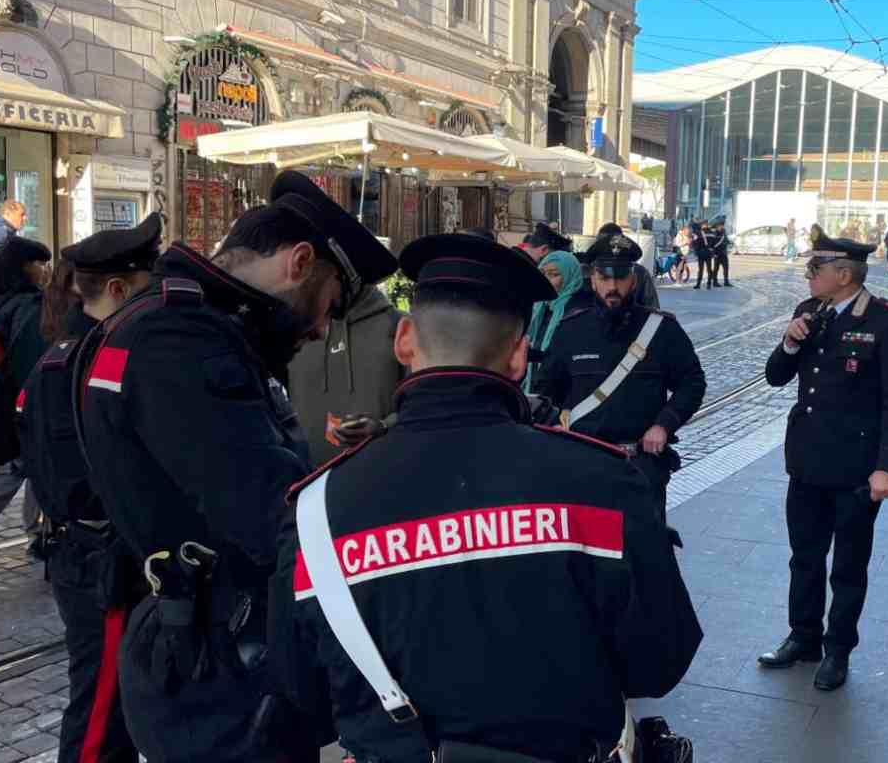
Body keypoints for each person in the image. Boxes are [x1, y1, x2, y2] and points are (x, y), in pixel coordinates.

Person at [276, 233, 701, 763]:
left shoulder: (315, 511)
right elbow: (662, 660)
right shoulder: (604, 483)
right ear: (520, 356)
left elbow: (300, 693)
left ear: (404, 340)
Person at [74, 171, 398, 763]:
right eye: (329, 303)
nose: (323, 327)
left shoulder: (171, 321)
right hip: (222, 667)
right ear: (300, 263)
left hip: (204, 648)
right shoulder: (184, 341)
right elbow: (271, 516)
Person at [18, 215, 162, 763]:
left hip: (77, 556)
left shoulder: (57, 356)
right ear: (120, 290)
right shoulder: (101, 359)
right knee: (101, 711)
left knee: (109, 702)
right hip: (101, 562)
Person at [758, 232, 888, 691]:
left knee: (848, 564)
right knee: (804, 557)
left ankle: (838, 648)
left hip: (856, 467)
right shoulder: (807, 314)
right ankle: (803, 636)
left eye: (815, 269)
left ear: (843, 274)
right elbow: (774, 377)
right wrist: (789, 343)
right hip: (806, 460)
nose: (808, 275)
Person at [534, 232, 706, 522]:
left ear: (633, 280)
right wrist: (556, 428)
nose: (613, 287)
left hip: (640, 465)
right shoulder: (572, 330)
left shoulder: (661, 330)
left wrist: (664, 425)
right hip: (583, 464)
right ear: (593, 280)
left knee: (644, 557)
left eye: (621, 277)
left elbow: (692, 383)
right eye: (605, 277)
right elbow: (546, 391)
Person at [0, 236, 51, 534]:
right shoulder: (26, 304)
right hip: (10, 398)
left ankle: (40, 532)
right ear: (23, 267)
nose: (45, 269)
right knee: (22, 463)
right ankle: (39, 532)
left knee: (34, 462)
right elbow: (30, 358)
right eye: (40, 263)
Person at [289, 277, 405, 466]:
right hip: (306, 486)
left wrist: (383, 426)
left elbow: (425, 404)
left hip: (386, 475)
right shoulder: (293, 333)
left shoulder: (399, 325)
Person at [523, 249, 583, 391]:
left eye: (554, 274)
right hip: (534, 387)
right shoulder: (539, 307)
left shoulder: (577, 311)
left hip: (561, 390)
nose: (545, 279)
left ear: (569, 277)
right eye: (543, 273)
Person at [709, 215, 733, 287]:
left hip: (724, 252)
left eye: (722, 225)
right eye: (721, 226)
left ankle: (726, 282)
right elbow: (712, 244)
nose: (722, 227)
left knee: (726, 267)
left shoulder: (723, 232)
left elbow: (725, 239)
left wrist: (730, 242)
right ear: (717, 226)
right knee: (716, 268)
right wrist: (713, 253)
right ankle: (715, 282)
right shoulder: (715, 233)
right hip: (717, 253)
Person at [691, 220, 713, 290]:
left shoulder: (698, 233)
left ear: (703, 225)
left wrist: (696, 252)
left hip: (701, 253)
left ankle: (698, 284)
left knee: (701, 269)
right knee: (709, 269)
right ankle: (709, 284)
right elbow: (713, 243)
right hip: (708, 253)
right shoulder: (712, 232)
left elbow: (695, 243)